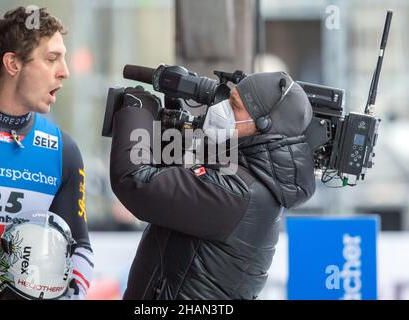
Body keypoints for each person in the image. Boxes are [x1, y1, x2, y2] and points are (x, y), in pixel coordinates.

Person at [109, 71, 316, 299]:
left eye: (234, 105)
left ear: (263, 125)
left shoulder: (238, 193)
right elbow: (172, 182)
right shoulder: (249, 177)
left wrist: (137, 111)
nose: (222, 108)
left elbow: (135, 181)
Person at [0, 7, 93, 300]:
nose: (65, 71)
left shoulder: (62, 150)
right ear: (13, 63)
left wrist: (72, 295)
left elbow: (80, 247)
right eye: (51, 58)